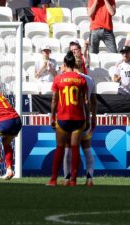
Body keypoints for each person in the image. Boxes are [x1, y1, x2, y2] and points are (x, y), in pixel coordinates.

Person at [48, 51, 90, 187]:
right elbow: (86, 101)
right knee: (75, 148)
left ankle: (53, 179)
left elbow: (54, 100)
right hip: (78, 118)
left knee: (60, 148)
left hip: (63, 118)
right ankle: (73, 180)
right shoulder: (81, 79)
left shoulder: (58, 79)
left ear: (65, 64)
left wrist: (52, 116)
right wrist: (88, 118)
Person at [63, 58, 97, 186]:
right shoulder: (89, 80)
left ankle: (67, 178)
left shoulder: (66, 79)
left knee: (68, 150)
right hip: (84, 118)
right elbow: (93, 102)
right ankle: (89, 179)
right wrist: (93, 118)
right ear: (83, 66)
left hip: (70, 119)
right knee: (87, 149)